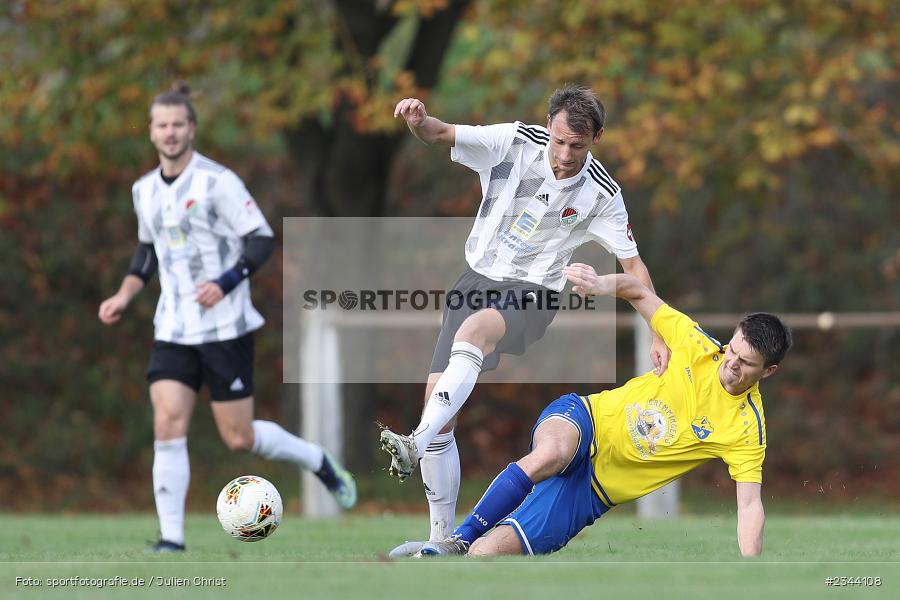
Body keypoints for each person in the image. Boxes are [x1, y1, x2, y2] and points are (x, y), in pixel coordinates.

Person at [381, 85, 670, 556]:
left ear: (597, 137)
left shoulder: (602, 192)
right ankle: (438, 543)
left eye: (577, 145)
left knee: (471, 341)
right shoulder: (513, 141)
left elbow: (634, 268)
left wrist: (659, 331)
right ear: (549, 126)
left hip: (534, 293)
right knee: (441, 410)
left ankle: (415, 441)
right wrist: (417, 120)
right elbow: (439, 133)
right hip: (473, 280)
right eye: (558, 141)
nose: (564, 154)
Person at [98, 83, 356, 553]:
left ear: (191, 129)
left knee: (238, 437)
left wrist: (226, 281)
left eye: (179, 124)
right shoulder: (144, 190)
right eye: (163, 125)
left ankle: (317, 460)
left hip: (224, 326)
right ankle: (171, 539)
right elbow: (146, 251)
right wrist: (123, 294)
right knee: (167, 422)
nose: (171, 133)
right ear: (152, 132)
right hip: (173, 326)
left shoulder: (218, 181)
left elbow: (259, 239)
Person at [414, 263, 792, 557]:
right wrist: (599, 284)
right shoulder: (695, 343)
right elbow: (637, 290)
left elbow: (748, 504)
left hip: (590, 493)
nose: (731, 363)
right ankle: (458, 538)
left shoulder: (746, 429)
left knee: (487, 555)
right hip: (586, 420)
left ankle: (460, 553)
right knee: (553, 452)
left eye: (746, 363)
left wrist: (750, 571)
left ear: (769, 371)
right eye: (732, 350)